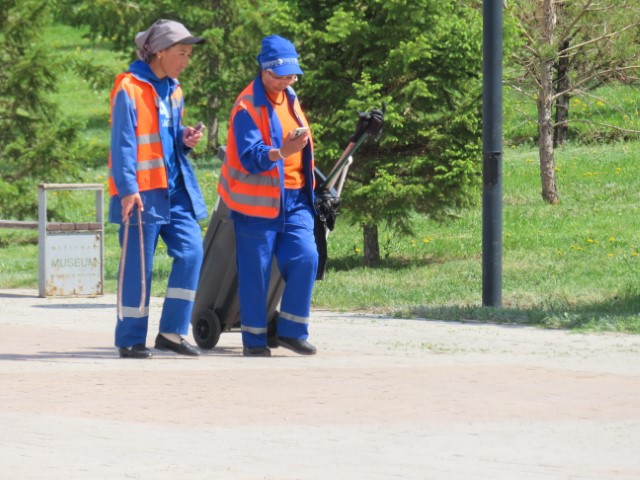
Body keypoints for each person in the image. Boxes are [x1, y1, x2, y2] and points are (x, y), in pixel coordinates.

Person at [108, 19, 207, 358]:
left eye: (189, 54)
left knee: (192, 252)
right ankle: (131, 339)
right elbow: (122, 143)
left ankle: (171, 333)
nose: (186, 61)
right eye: (182, 53)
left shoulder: (174, 89)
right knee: (139, 268)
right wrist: (127, 190)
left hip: (174, 191)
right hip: (140, 194)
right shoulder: (128, 87)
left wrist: (184, 138)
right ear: (160, 52)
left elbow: (167, 136)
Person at [218, 34, 318, 357]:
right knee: (256, 274)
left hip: (295, 197)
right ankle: (255, 341)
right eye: (281, 76)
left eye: (292, 76)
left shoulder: (290, 96)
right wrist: (283, 151)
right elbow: (251, 157)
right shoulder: (246, 106)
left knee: (306, 256)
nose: (287, 81)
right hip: (256, 204)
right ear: (265, 70)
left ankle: (291, 331)